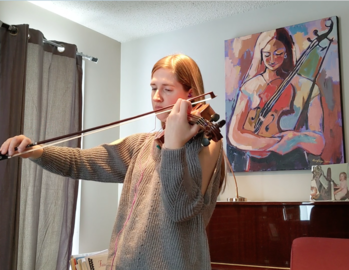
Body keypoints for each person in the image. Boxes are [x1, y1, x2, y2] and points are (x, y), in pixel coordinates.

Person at [0, 54, 225, 270]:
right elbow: (82, 161)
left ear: (190, 95)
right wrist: (35, 151)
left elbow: (180, 209)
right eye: (153, 88)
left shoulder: (207, 146)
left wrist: (174, 146)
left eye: (167, 89)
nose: (157, 97)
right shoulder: (141, 145)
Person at [228, 28, 325, 171]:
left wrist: (296, 139)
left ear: (287, 53)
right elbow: (235, 135)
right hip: (257, 165)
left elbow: (319, 143)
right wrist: (274, 142)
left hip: (295, 165)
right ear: (260, 54)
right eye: (267, 54)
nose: (272, 60)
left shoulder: (307, 87)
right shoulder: (249, 88)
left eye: (278, 54)